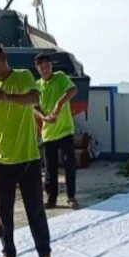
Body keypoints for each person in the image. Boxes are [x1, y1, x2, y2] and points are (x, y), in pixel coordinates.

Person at [0, 43, 56, 257]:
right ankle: (8, 252)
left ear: (4, 57)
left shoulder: (23, 75)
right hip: (2, 160)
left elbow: (34, 98)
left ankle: (44, 252)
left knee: (35, 208)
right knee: (4, 212)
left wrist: (6, 97)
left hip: (28, 157)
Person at [33, 54, 79, 209]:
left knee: (69, 165)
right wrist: (44, 118)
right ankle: (51, 198)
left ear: (51, 66)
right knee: (50, 169)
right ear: (37, 68)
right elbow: (34, 107)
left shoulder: (60, 77)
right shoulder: (36, 85)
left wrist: (59, 104)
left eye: (47, 66)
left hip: (65, 130)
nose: (45, 69)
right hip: (48, 133)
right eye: (42, 67)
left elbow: (73, 90)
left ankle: (71, 196)